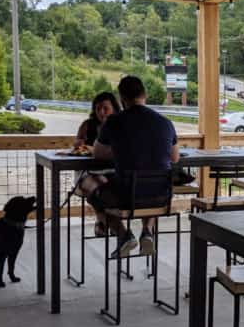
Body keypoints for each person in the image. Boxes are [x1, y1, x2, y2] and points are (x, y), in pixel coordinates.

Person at [84, 76, 179, 258]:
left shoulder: (114, 122)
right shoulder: (166, 122)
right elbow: (174, 158)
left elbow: (99, 153)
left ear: (122, 99)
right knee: (150, 183)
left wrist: (122, 150)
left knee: (94, 190)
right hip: (162, 196)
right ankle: (147, 232)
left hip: (126, 196)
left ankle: (123, 235)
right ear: (145, 94)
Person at [74, 92, 121, 237]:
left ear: (114, 108)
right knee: (101, 184)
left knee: (109, 184)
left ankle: (103, 222)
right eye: (98, 108)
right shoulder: (87, 125)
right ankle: (109, 224)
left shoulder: (121, 125)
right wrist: (79, 144)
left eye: (105, 108)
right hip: (87, 171)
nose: (101, 112)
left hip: (112, 171)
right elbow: (78, 143)